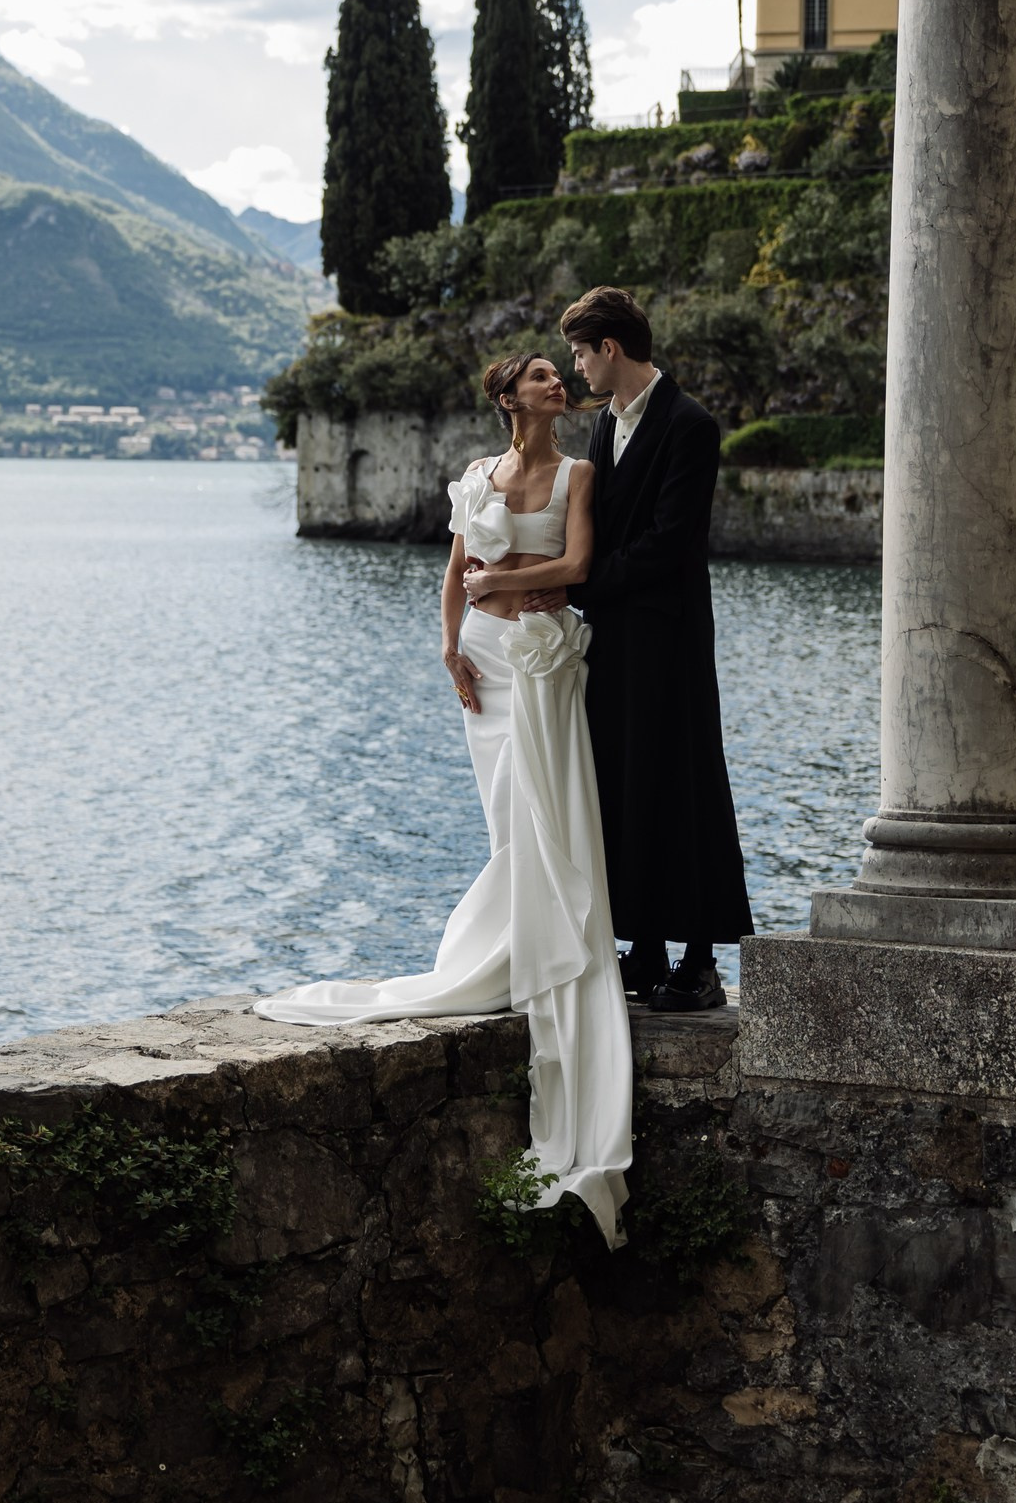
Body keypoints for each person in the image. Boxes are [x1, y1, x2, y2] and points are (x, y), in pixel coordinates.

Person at [256, 353, 632, 1246]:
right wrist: (449, 647)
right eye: (542, 375)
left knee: (546, 818)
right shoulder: (475, 476)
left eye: (559, 372)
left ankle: (533, 957)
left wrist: (500, 588)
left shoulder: (578, 471)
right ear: (510, 397)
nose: (556, 382)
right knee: (506, 818)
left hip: (543, 659)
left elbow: (577, 563)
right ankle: (509, 947)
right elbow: (454, 564)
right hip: (489, 672)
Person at [544, 283, 752, 1008]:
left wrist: (582, 586)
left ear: (611, 347)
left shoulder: (691, 425)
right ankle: (647, 949)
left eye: (580, 352)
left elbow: (671, 542)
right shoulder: (603, 425)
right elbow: (598, 523)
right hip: (615, 637)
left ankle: (700, 964)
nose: (576, 368)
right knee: (626, 781)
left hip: (669, 635)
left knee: (684, 781)